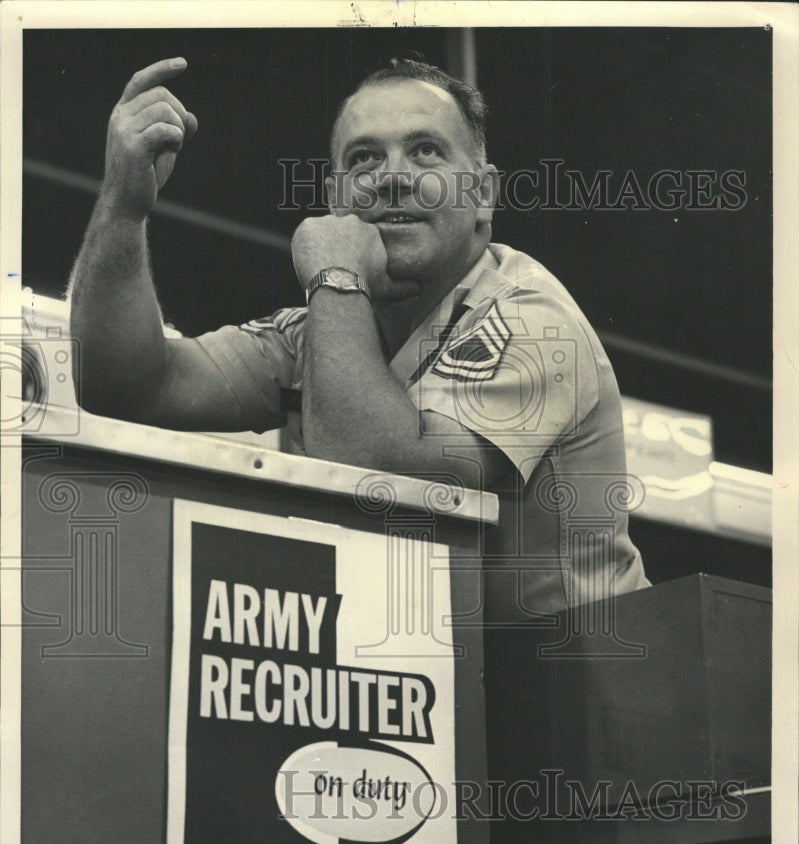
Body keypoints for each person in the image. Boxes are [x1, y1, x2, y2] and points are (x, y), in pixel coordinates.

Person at [69, 55, 648, 625]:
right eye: (365, 157)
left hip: (594, 684)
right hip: (460, 691)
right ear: (336, 198)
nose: (393, 176)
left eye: (425, 150)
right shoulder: (324, 329)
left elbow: (379, 481)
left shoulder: (535, 319)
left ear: (482, 195)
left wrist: (336, 278)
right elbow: (130, 386)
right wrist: (123, 207)